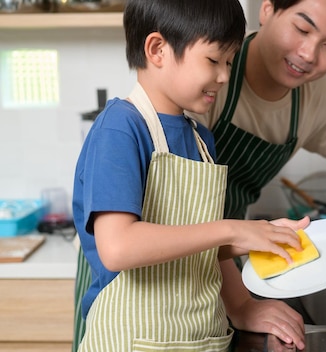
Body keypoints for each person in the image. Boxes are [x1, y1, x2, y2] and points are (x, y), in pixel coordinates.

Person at [72, 0, 309, 350]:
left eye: (229, 62)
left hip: (200, 338)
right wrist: (232, 227)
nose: (225, 75)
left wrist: (256, 247)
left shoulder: (200, 139)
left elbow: (201, 245)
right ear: (157, 49)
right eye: (214, 60)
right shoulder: (121, 128)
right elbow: (118, 247)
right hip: (131, 340)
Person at [188, 0, 326, 336]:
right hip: (165, 247)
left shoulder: (319, 95)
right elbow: (187, 212)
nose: (308, 54)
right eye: (302, 29)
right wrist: (240, 305)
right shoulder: (214, 74)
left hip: (222, 254)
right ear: (267, 9)